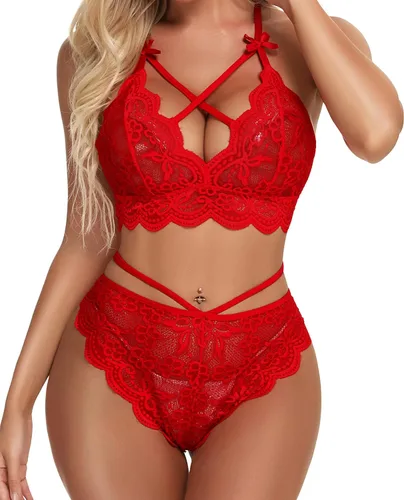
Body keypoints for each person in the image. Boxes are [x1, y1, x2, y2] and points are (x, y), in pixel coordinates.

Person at [0, 0, 402, 499]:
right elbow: (87, 237)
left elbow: (376, 136)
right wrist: (18, 404)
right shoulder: (97, 52)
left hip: (263, 361)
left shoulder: (313, 40)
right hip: (115, 354)